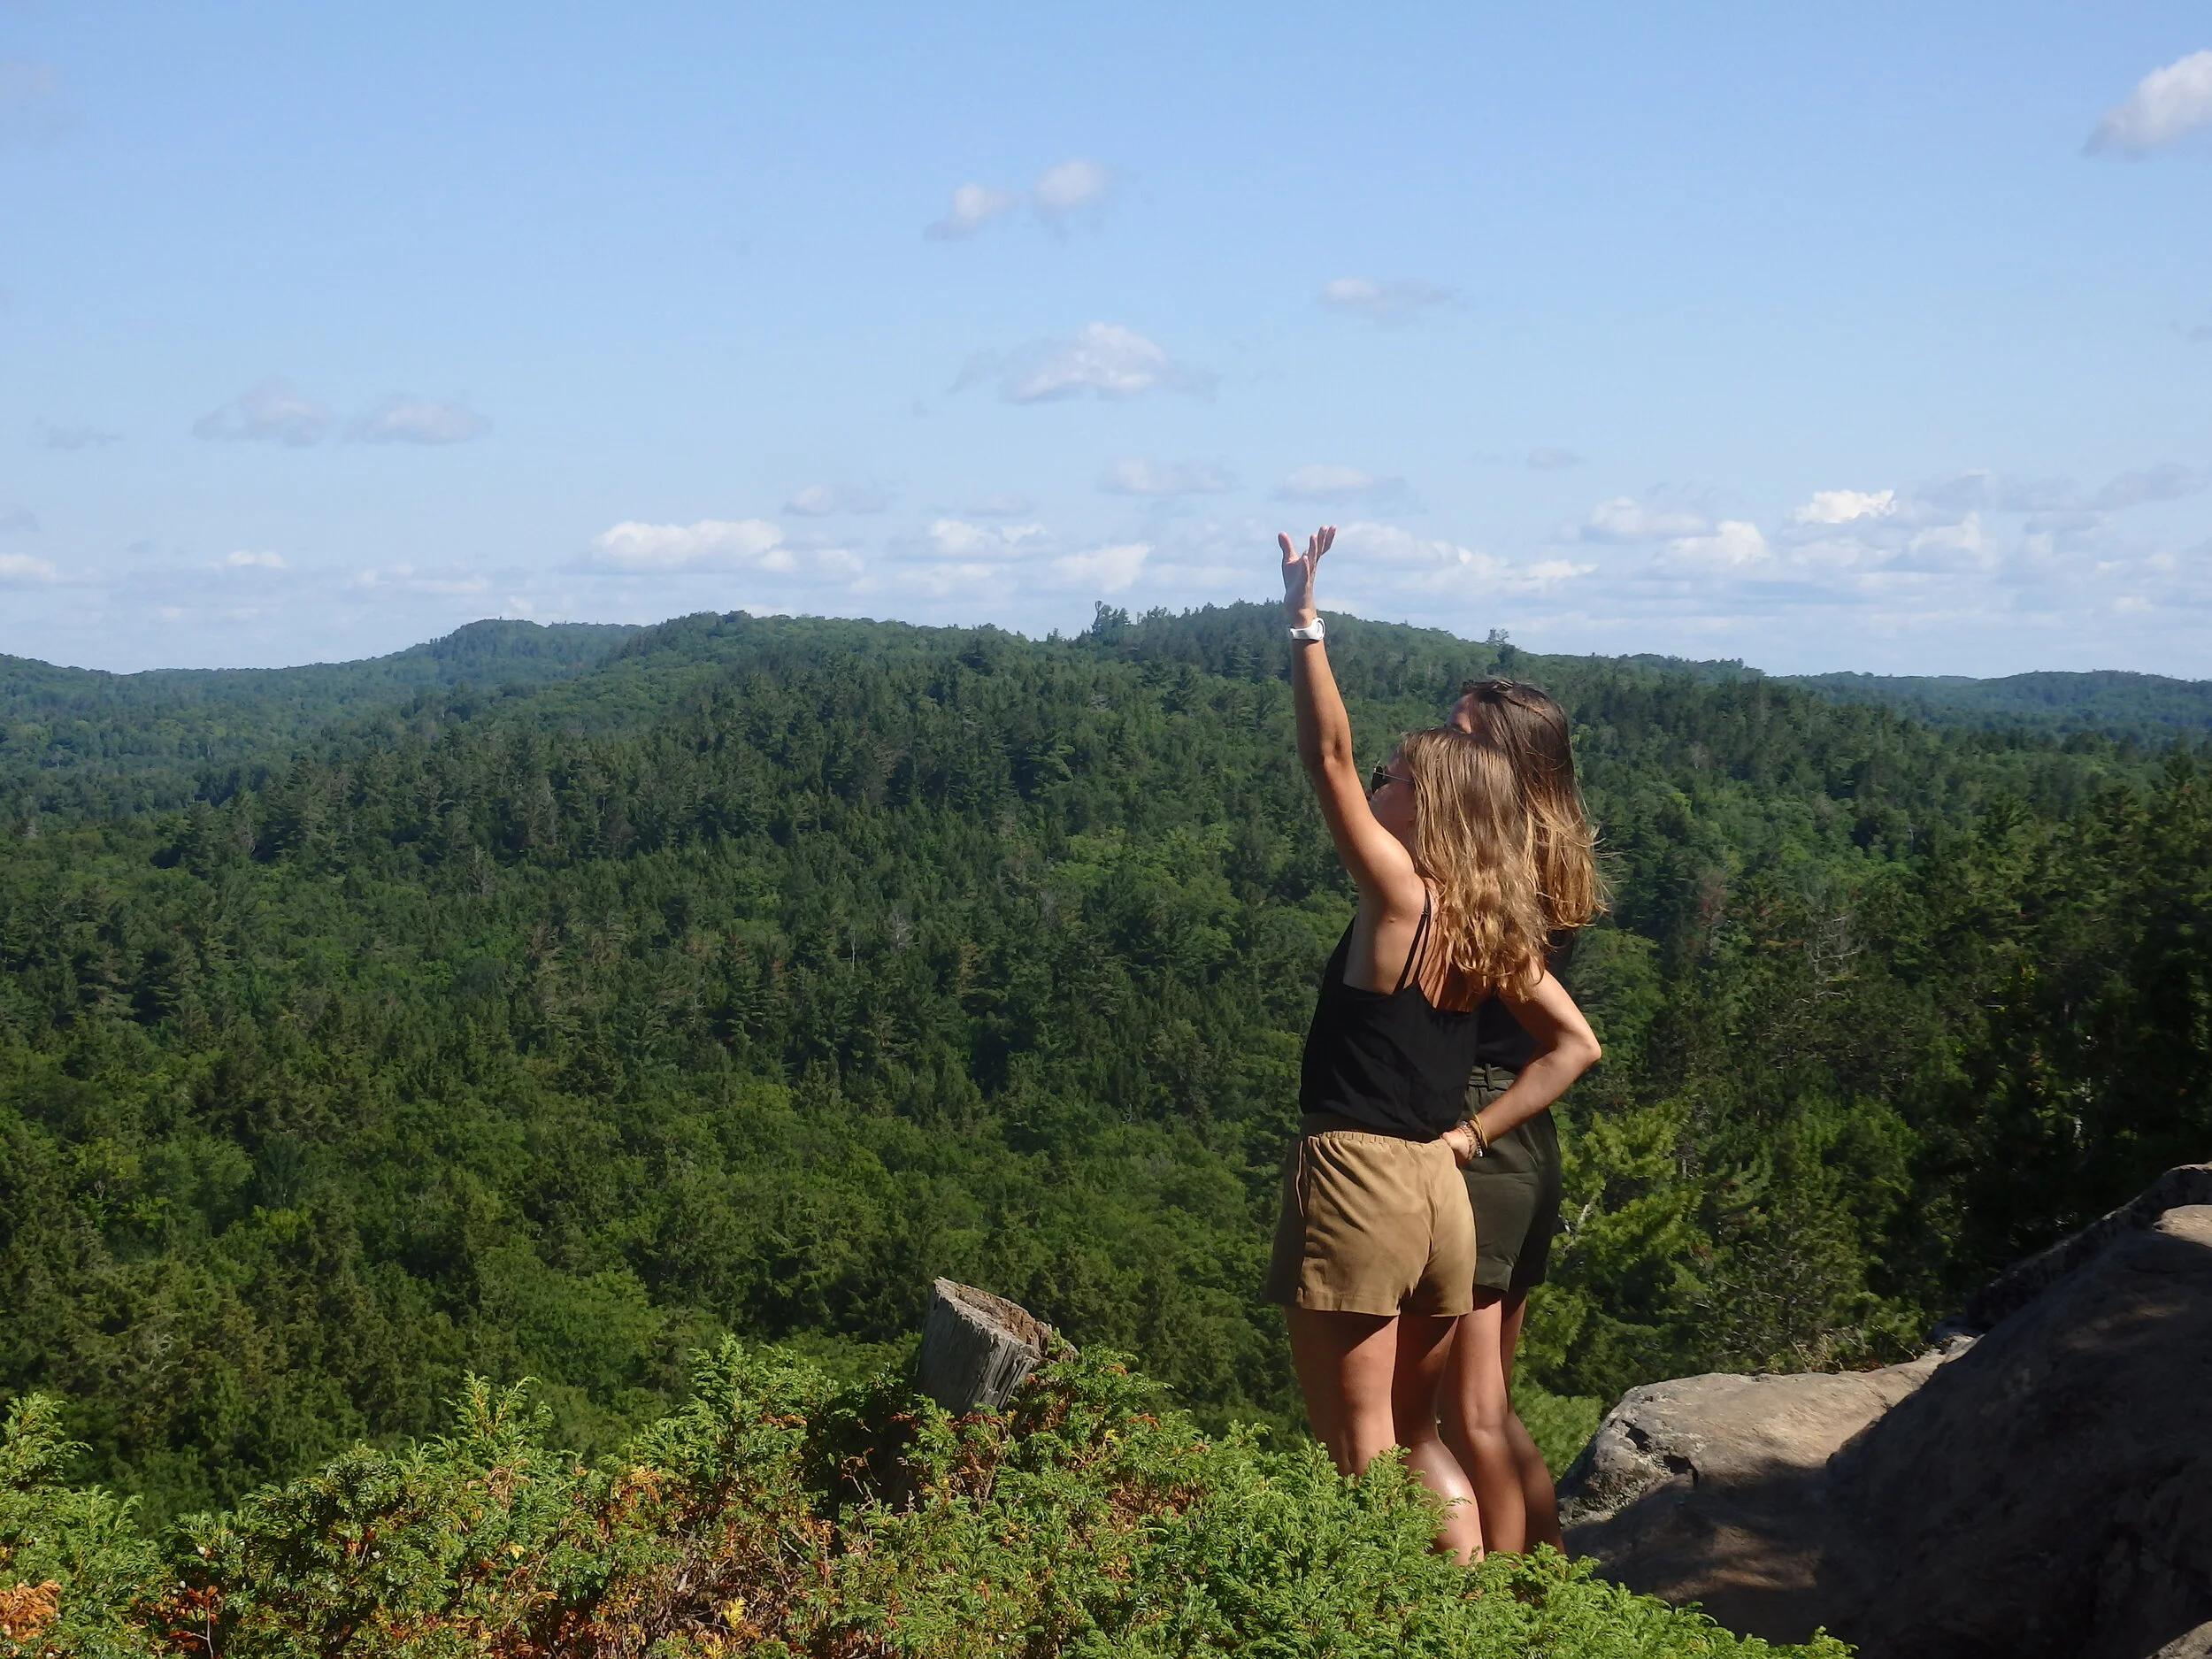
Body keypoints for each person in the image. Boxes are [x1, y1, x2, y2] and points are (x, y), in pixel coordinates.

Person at [1263, 526, 1600, 1562]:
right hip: (1439, 1188)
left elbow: (1320, 756)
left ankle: (1406, 1618)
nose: (1376, 778)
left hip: (1361, 1170)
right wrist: (1471, 1136)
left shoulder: (1405, 897)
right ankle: (1476, 1609)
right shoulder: (1484, 921)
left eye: (1395, 775)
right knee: (1418, 1437)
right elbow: (1575, 1043)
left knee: (1358, 1447)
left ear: (1432, 808)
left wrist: (1304, 623)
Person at [1437, 675, 1607, 1555]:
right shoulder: (1548, 861)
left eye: (1460, 734)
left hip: (1484, 1127)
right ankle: (1543, 1589)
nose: (1441, 741)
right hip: (1525, 1139)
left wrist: (1466, 1134)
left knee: (1465, 1415)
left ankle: (1499, 1610)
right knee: (1490, 1410)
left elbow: (1566, 1041)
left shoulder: (1490, 879)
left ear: (1502, 759)